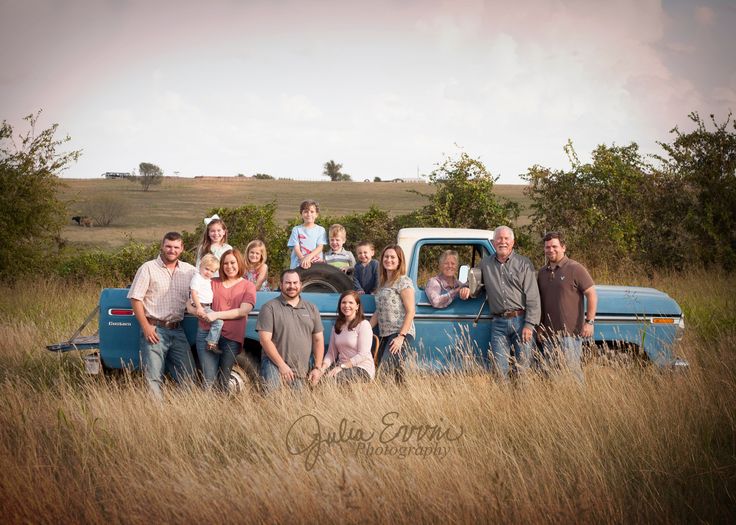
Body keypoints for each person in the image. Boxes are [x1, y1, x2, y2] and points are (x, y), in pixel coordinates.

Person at [127, 232, 196, 400]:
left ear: (182, 249)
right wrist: (146, 327)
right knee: (153, 377)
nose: (172, 250)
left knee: (188, 375)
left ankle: (183, 412)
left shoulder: (190, 271)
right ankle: (157, 416)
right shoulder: (148, 268)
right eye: (168, 246)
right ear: (162, 246)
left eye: (176, 247)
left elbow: (205, 284)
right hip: (154, 329)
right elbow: (136, 299)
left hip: (177, 329)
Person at [188, 249, 256, 392]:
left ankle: (223, 408)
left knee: (225, 377)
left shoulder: (247, 286)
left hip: (231, 337)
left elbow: (243, 311)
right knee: (209, 378)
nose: (229, 266)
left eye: (233, 262)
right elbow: (190, 302)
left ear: (239, 263)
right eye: (225, 263)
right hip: (206, 334)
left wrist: (216, 315)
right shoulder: (212, 281)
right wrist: (197, 312)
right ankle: (208, 411)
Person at [479, 226, 541, 379]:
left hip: (521, 321)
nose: (503, 242)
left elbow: (533, 296)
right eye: (499, 239)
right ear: (493, 243)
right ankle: (503, 402)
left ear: (512, 242)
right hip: (498, 322)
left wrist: (529, 324)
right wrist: (466, 288)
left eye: (506, 239)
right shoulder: (485, 264)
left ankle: (525, 402)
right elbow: (473, 281)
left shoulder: (524, 263)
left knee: (524, 369)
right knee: (500, 370)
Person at [537, 232, 598, 382]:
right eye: (547, 247)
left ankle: (579, 404)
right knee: (551, 375)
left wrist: (589, 322)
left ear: (563, 247)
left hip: (570, 333)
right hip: (548, 334)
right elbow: (540, 302)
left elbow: (591, 294)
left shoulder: (575, 268)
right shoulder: (542, 273)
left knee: (573, 373)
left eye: (554, 246)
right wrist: (539, 327)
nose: (550, 250)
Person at [256, 269, 325, 393]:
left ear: (300, 284)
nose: (292, 286)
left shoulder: (311, 308)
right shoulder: (269, 307)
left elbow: (318, 339)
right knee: (273, 399)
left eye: (295, 283)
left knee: (297, 406)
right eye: (288, 283)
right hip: (274, 365)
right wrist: (282, 365)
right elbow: (264, 340)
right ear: (281, 285)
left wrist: (318, 368)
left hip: (300, 368)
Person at [370, 245, 415, 383]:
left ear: (399, 260)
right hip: (385, 334)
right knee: (397, 376)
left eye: (392, 257)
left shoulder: (403, 281)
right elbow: (379, 311)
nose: (388, 260)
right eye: (386, 256)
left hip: (399, 333)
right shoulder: (383, 283)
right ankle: (404, 401)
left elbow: (411, 311)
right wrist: (365, 328)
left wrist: (401, 337)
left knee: (384, 372)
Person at [314, 291, 375, 383]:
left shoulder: (364, 325)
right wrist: (322, 369)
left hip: (362, 368)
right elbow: (331, 353)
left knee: (330, 381)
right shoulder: (337, 327)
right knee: (318, 379)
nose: (346, 305)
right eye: (343, 302)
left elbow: (363, 354)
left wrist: (342, 367)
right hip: (341, 368)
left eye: (351, 303)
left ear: (357, 307)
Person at [189, 253, 224, 353]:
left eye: (212, 271)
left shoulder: (207, 280)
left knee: (216, 322)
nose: (209, 273)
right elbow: (194, 292)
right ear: (200, 266)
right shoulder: (197, 278)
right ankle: (211, 343)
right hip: (202, 306)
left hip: (206, 305)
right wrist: (199, 307)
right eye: (207, 269)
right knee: (218, 322)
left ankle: (211, 342)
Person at [288, 200, 327, 269]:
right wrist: (303, 259)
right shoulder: (296, 229)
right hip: (298, 264)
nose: (309, 214)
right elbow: (296, 247)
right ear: (301, 214)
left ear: (316, 214)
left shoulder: (321, 230)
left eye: (312, 212)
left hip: (315, 263)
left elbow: (320, 247)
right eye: (306, 212)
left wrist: (308, 258)